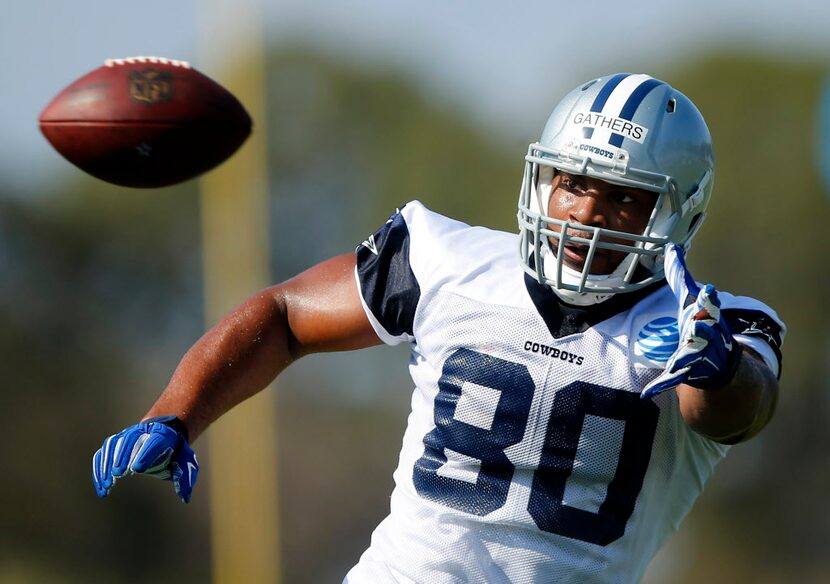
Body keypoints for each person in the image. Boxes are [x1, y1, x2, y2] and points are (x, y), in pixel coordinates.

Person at [92, 72, 785, 583]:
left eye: (623, 199)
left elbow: (729, 415)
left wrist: (716, 364)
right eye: (573, 184)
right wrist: (177, 414)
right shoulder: (446, 259)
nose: (585, 215)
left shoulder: (716, 327)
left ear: (679, 213)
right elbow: (285, 316)